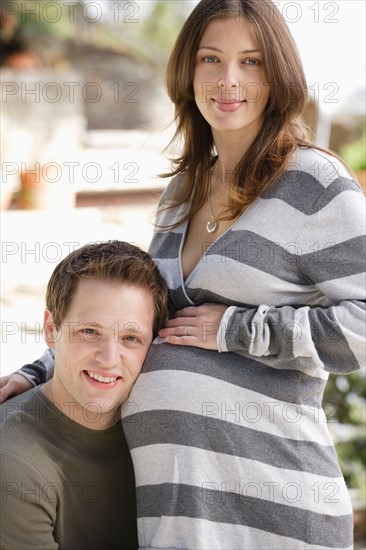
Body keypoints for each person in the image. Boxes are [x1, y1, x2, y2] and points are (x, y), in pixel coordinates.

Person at [1, 0, 365, 548]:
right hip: (181, 513)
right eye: (210, 59)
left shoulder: (313, 182)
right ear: (187, 72)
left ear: (280, 73)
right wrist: (42, 367)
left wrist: (232, 330)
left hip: (275, 509)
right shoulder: (183, 191)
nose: (228, 80)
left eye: (252, 62)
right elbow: (140, 314)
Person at [0, 240, 168, 550]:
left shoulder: (160, 435)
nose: (109, 358)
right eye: (90, 331)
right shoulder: (11, 460)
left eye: (131, 338)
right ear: (51, 329)